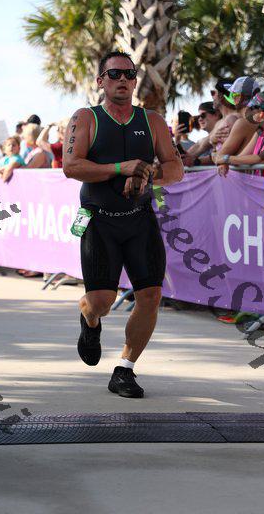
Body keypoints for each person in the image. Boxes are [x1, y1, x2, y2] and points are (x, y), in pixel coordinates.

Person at [63, 50, 183, 399]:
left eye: (129, 74)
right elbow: (71, 166)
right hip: (99, 221)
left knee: (150, 295)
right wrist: (122, 168)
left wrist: (146, 173)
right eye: (114, 74)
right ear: (100, 81)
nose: (122, 80)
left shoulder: (152, 120)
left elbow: (175, 169)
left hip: (139, 220)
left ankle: (125, 370)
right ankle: (90, 319)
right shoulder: (86, 118)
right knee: (101, 301)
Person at [214, 91, 264, 176]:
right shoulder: (260, 131)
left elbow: (258, 158)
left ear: (261, 114)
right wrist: (225, 162)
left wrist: (226, 158)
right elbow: (242, 156)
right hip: (263, 182)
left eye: (251, 109)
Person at [216, 76, 261, 177]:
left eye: (233, 95)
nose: (232, 98)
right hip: (263, 180)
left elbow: (219, 157)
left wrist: (216, 150)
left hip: (247, 181)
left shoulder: (243, 123)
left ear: (240, 97)